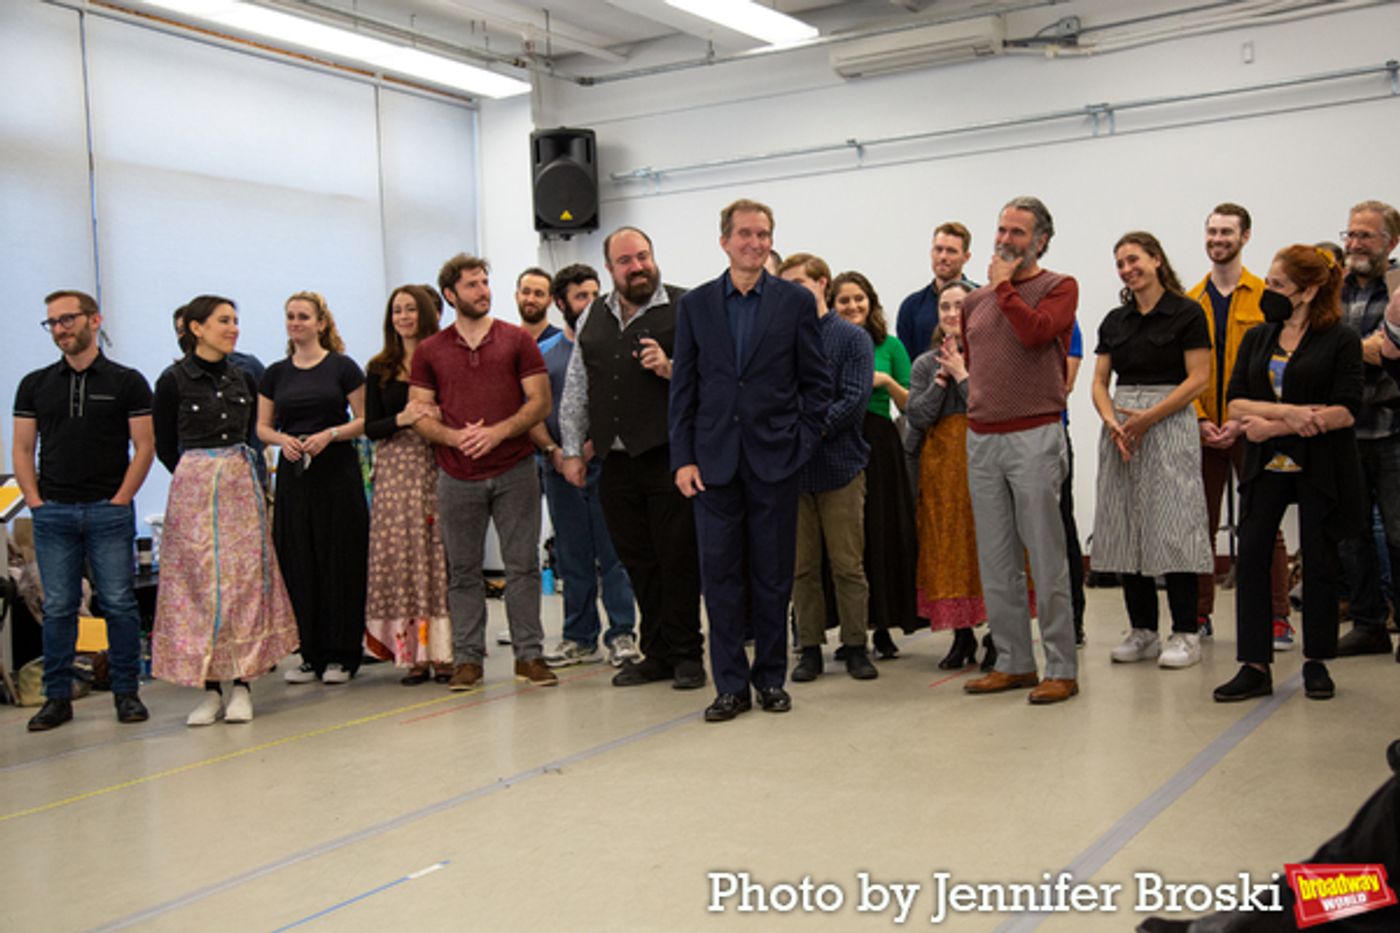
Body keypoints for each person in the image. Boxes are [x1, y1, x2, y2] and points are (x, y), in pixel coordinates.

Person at [670, 198, 832, 722]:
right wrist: (683, 458)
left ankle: (770, 679)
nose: (755, 243)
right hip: (713, 465)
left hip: (775, 462)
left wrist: (800, 444)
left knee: (772, 576)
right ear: (724, 241)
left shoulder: (794, 303)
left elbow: (816, 385)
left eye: (763, 234)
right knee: (719, 579)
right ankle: (729, 687)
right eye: (745, 234)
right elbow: (684, 390)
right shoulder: (695, 306)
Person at [1213, 245, 1363, 702]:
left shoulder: (1340, 339)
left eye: (1278, 285)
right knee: (1253, 553)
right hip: (1266, 462)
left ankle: (1317, 660)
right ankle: (1254, 664)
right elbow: (1235, 402)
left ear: (1308, 290)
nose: (1269, 292)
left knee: (1319, 557)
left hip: (1319, 463)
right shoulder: (1259, 338)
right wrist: (1290, 415)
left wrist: (1273, 424)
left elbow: (1345, 409)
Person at [559, 228, 706, 690]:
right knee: (637, 561)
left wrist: (670, 366)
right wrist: (571, 448)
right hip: (615, 462)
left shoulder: (687, 308)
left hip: (670, 457)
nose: (637, 266)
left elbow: (712, 380)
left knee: (677, 560)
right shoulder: (593, 317)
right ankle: (656, 653)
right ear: (610, 268)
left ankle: (687, 655)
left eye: (643, 256)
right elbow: (577, 387)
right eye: (626, 261)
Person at [151, 295, 298, 724]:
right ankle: (210, 688)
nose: (232, 328)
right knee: (199, 584)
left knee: (243, 583)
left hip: (238, 480)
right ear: (196, 328)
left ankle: (244, 684)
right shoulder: (172, 380)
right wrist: (197, 474)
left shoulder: (244, 377)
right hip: (194, 484)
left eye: (235, 320)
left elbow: (253, 432)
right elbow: (164, 445)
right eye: (222, 321)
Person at [411, 253, 555, 690]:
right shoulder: (429, 351)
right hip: (455, 474)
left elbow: (539, 402)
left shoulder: (516, 341)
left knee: (523, 565)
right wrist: (456, 438)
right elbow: (418, 413)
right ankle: (468, 659)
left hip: (514, 469)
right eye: (472, 285)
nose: (483, 291)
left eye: (485, 283)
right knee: (464, 571)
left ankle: (529, 655)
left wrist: (496, 433)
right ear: (451, 295)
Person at [15, 290, 155, 732]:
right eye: (52, 322)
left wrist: (121, 499)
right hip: (53, 511)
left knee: (118, 602)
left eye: (68, 319)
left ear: (94, 321)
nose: (60, 329)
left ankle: (126, 692)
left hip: (107, 510)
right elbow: (22, 448)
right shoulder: (35, 384)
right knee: (58, 606)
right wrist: (35, 502)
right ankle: (56, 698)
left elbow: (145, 446)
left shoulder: (126, 381)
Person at [960, 196, 1080, 705]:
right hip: (982, 436)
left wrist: (1004, 286)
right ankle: (1013, 661)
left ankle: (1061, 666)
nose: (1005, 238)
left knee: (1045, 555)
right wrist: (994, 289)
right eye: (1002, 228)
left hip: (1035, 435)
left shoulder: (1059, 287)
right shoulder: (972, 302)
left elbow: (1034, 333)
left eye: (1017, 231)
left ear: (1041, 240)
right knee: (996, 558)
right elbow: (976, 361)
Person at [1090, 232, 1214, 670]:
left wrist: (1149, 417)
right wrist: (1113, 421)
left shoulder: (1186, 313)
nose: (1127, 268)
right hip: (1122, 426)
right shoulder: (1115, 320)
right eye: (1120, 262)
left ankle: (1185, 631)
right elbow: (1100, 381)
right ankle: (1142, 629)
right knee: (1126, 524)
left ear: (1157, 260)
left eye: (1134, 259)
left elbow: (1199, 378)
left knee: (1174, 523)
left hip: (1168, 421)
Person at [1188, 203, 1292, 646]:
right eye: (1212, 231)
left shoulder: (1265, 297)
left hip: (1250, 429)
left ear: (1245, 236)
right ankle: (1197, 616)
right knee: (1197, 526)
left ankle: (1277, 617)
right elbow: (1182, 370)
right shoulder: (1190, 301)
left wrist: (1245, 420)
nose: (1218, 239)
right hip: (1202, 428)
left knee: (1263, 524)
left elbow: (1275, 363)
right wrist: (1199, 420)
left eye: (1227, 232)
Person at [257, 291, 369, 685]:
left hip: (336, 471)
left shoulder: (342, 368)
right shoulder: (275, 373)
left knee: (339, 557)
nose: (296, 322)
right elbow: (262, 426)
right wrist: (280, 440)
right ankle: (310, 653)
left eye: (303, 316)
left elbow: (365, 419)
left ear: (321, 323)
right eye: (290, 316)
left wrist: (332, 434)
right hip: (295, 474)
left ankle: (342, 653)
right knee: (299, 559)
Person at [532, 263, 639, 669]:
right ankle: (579, 637)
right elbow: (534, 412)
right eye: (582, 296)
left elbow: (622, 403)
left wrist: (593, 445)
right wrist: (557, 452)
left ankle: (622, 634)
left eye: (596, 294)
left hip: (607, 464)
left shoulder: (610, 347)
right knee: (573, 555)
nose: (591, 303)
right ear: (561, 303)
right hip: (559, 470)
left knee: (614, 555)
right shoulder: (544, 355)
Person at [778, 253, 876, 682]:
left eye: (799, 283)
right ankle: (810, 648)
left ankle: (856, 645)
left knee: (847, 565)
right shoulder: (780, 339)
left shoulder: (852, 339)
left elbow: (853, 401)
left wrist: (807, 432)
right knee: (802, 568)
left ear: (822, 284)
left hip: (840, 468)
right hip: (793, 473)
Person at [363, 284, 453, 685]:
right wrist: (403, 417)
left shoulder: (443, 359)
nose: (403, 317)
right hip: (396, 469)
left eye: (410, 309)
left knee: (436, 555)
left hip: (436, 462)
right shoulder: (379, 367)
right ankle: (412, 655)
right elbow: (371, 427)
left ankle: (445, 652)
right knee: (401, 559)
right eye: (397, 310)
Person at [831, 269, 920, 657]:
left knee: (881, 533)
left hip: (880, 443)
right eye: (844, 300)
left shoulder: (892, 346)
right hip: (838, 442)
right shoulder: (826, 345)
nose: (852, 306)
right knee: (849, 541)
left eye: (859, 298)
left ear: (871, 301)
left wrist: (885, 382)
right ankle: (851, 629)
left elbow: (912, 405)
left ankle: (883, 626)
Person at [905, 282, 992, 670]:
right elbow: (919, 416)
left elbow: (988, 407)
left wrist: (960, 373)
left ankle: (998, 634)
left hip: (984, 458)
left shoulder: (990, 356)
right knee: (948, 546)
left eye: (960, 305)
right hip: (941, 468)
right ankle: (961, 636)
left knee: (986, 545)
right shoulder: (925, 364)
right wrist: (941, 378)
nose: (952, 313)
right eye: (945, 307)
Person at [1334, 200, 1400, 658]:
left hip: (1392, 428)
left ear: (1390, 243)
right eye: (1350, 234)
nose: (1355, 244)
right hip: (1343, 430)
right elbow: (1314, 344)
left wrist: (1342, 353)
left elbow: (1390, 350)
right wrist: (1365, 348)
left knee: (1398, 534)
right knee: (1351, 533)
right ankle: (1368, 624)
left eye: (1365, 236)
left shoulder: (1398, 287)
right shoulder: (1331, 289)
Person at [896, 221, 978, 360]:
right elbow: (906, 363)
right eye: (938, 249)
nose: (943, 257)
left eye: (951, 251)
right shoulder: (911, 306)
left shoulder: (981, 300)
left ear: (966, 257)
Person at [516, 266, 561, 345]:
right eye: (526, 292)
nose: (531, 299)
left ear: (550, 300)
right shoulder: (507, 342)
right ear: (517, 296)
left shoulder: (560, 342)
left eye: (539, 294)